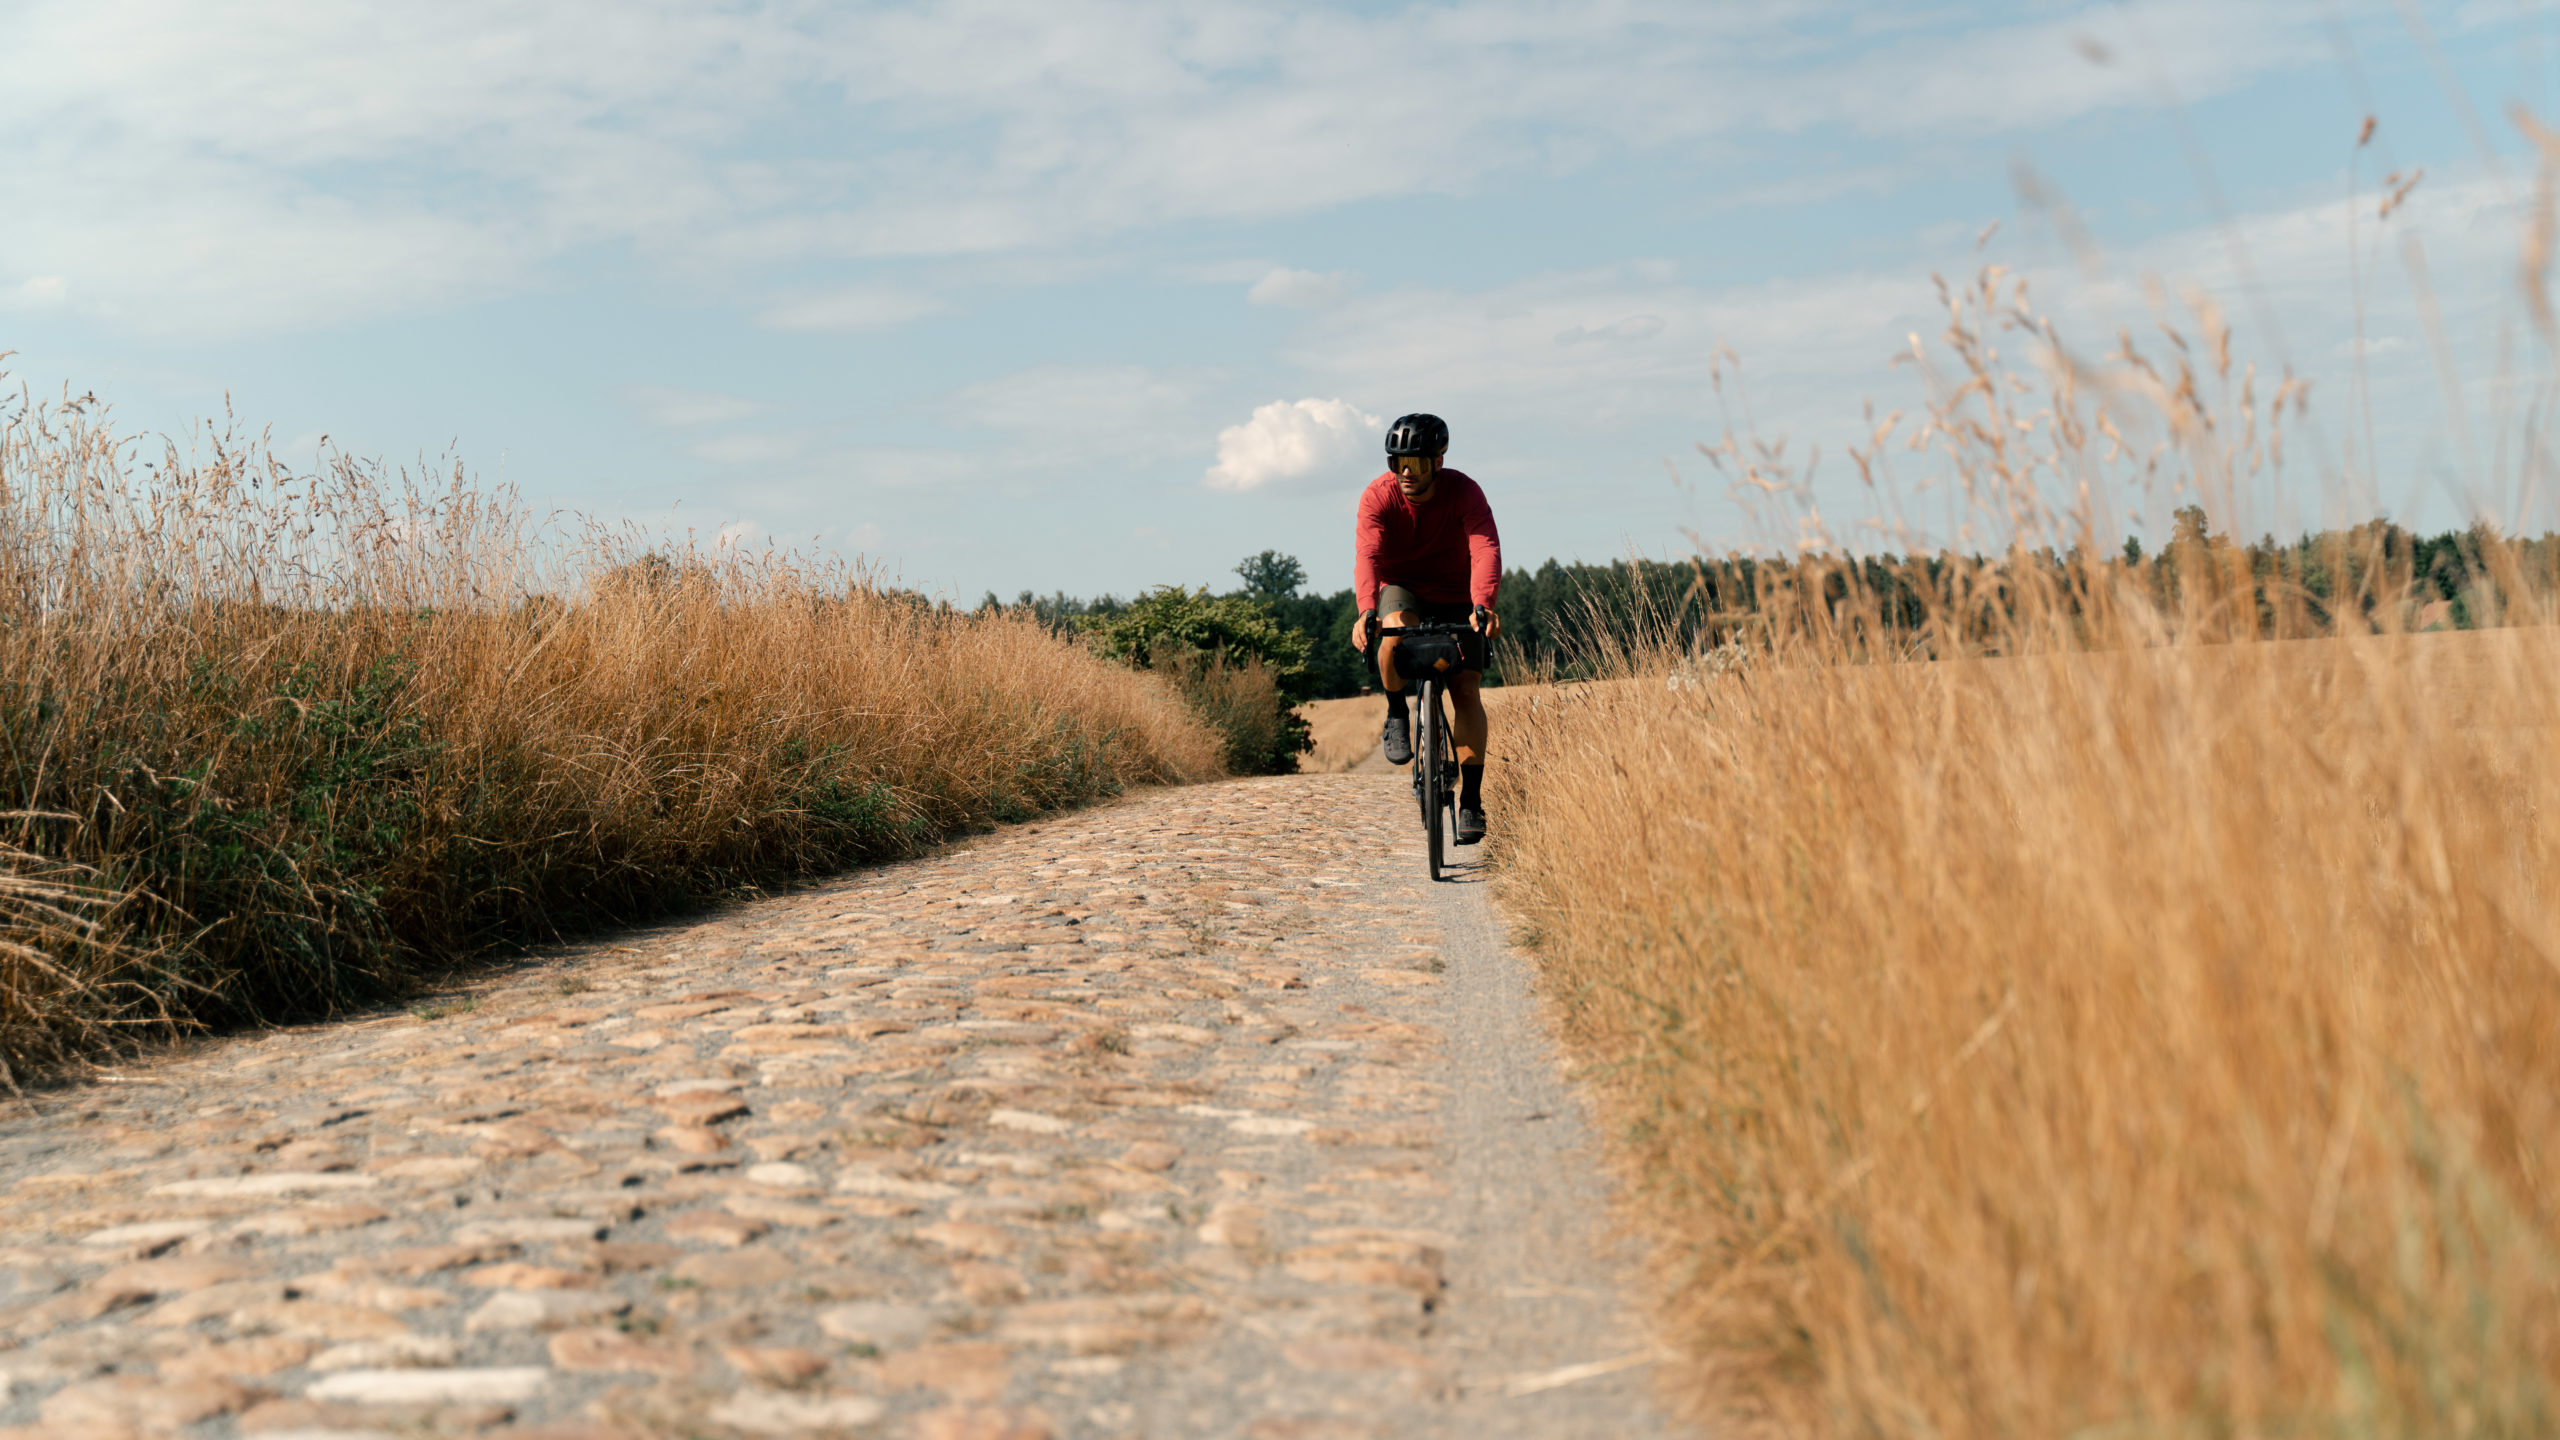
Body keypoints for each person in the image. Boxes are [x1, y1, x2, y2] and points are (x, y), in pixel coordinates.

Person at [1348, 412, 1502, 844]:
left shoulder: (1464, 491)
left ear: (1438, 461)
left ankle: (1471, 802)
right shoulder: (1378, 496)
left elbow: (1485, 547)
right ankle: (1398, 712)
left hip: (1458, 589)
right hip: (1403, 588)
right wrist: (1365, 610)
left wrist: (1482, 605)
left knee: (1466, 690)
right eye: (1397, 463)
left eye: (1415, 463)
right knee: (1394, 631)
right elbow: (1368, 555)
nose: (1405, 473)